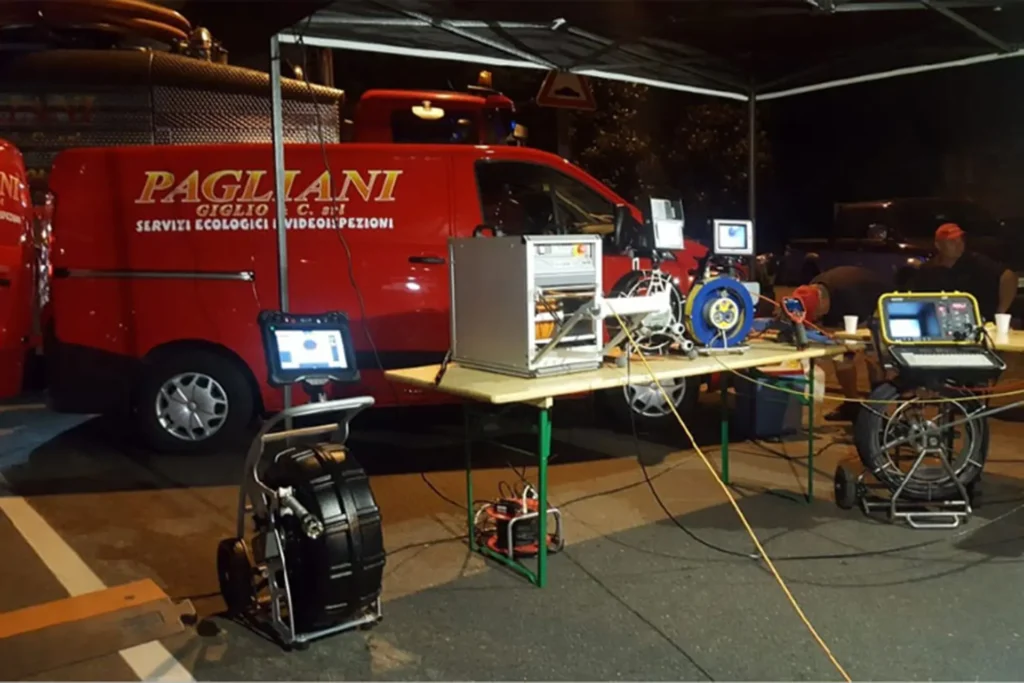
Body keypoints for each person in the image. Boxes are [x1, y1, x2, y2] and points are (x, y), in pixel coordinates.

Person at [789, 265, 889, 421]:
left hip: (878, 304)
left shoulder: (851, 296)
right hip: (850, 302)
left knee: (872, 354)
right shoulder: (813, 287)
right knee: (840, 356)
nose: (817, 318)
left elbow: (858, 334)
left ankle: (878, 409)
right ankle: (852, 404)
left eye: (816, 314)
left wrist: (846, 344)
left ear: (823, 302)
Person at [909, 223, 1017, 322]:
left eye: (960, 241)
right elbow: (917, 300)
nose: (959, 245)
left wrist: (1000, 313)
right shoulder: (928, 271)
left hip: (980, 322)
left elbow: (1008, 276)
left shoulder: (976, 262)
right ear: (938, 245)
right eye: (952, 242)